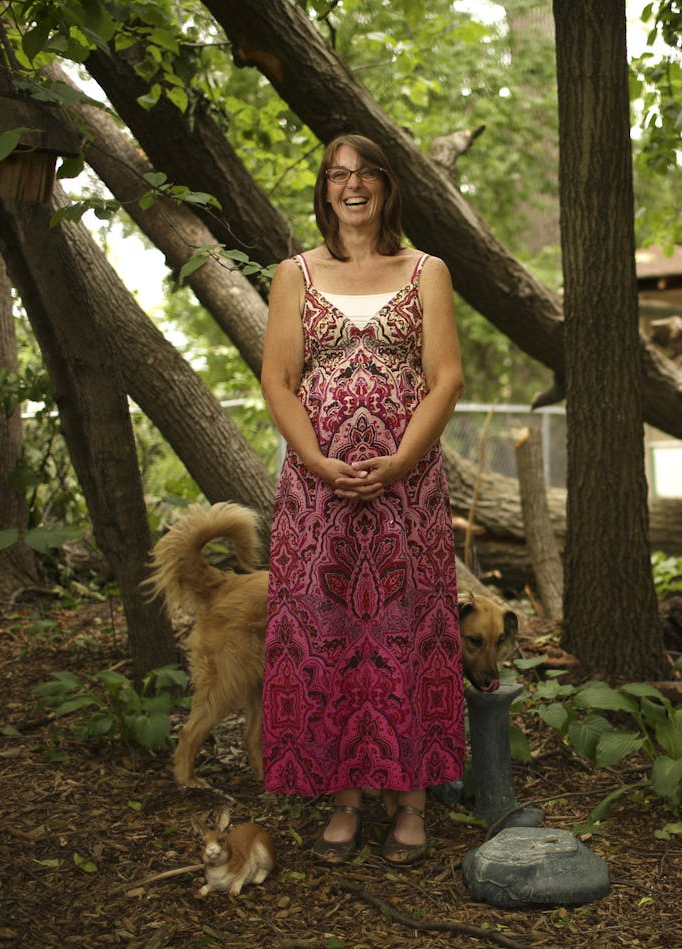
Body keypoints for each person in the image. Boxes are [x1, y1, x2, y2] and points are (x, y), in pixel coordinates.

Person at [260, 133, 464, 867]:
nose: (351, 186)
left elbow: (445, 378)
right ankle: (343, 798)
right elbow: (279, 380)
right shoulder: (296, 274)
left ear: (386, 186)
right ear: (324, 191)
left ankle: (409, 802)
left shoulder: (426, 272)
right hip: (319, 499)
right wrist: (315, 460)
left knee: (406, 631)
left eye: (364, 174)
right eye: (337, 175)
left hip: (406, 492)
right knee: (330, 633)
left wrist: (403, 460)